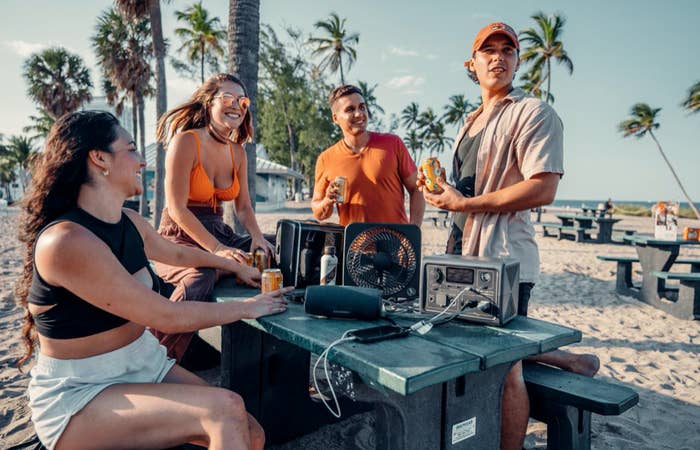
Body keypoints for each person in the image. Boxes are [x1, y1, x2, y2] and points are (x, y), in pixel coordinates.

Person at [16, 111, 290, 450]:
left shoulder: (129, 220)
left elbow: (176, 255)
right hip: (83, 391)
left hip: (142, 362)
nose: (142, 161)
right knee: (224, 411)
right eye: (132, 149)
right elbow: (165, 316)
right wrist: (248, 308)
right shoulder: (65, 241)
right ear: (99, 158)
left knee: (253, 431)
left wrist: (229, 264)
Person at [418, 22, 598, 450]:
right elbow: (473, 188)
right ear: (472, 64)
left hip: (503, 256)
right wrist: (447, 191)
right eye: (488, 51)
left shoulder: (533, 112)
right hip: (461, 249)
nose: (497, 57)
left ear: (517, 61)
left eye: (507, 50)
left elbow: (544, 187)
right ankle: (567, 361)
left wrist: (464, 205)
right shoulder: (471, 120)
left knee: (506, 365)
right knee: (467, 344)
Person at [154, 73, 275, 363]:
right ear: (208, 103)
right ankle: (158, 353)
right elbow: (177, 209)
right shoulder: (185, 142)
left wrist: (258, 239)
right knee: (202, 275)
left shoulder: (238, 152)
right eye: (228, 98)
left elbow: (244, 207)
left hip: (220, 230)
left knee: (280, 246)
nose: (237, 106)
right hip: (179, 235)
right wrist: (219, 253)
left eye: (242, 101)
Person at [311, 84, 425, 226]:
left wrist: (413, 230)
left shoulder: (392, 144)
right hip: (353, 244)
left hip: (395, 243)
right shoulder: (326, 159)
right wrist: (328, 200)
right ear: (335, 118)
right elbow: (319, 213)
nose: (359, 114)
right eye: (350, 109)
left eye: (362, 107)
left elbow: (417, 188)